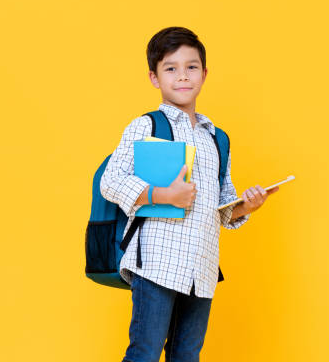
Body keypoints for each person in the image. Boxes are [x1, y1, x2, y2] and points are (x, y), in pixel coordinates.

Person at [100, 26, 279, 362]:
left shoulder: (217, 138)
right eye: (171, 68)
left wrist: (247, 205)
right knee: (145, 352)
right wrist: (164, 195)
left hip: (202, 267)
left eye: (191, 67)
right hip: (156, 263)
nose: (182, 76)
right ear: (154, 77)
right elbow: (110, 181)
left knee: (187, 355)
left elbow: (222, 209)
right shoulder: (147, 126)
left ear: (204, 73)